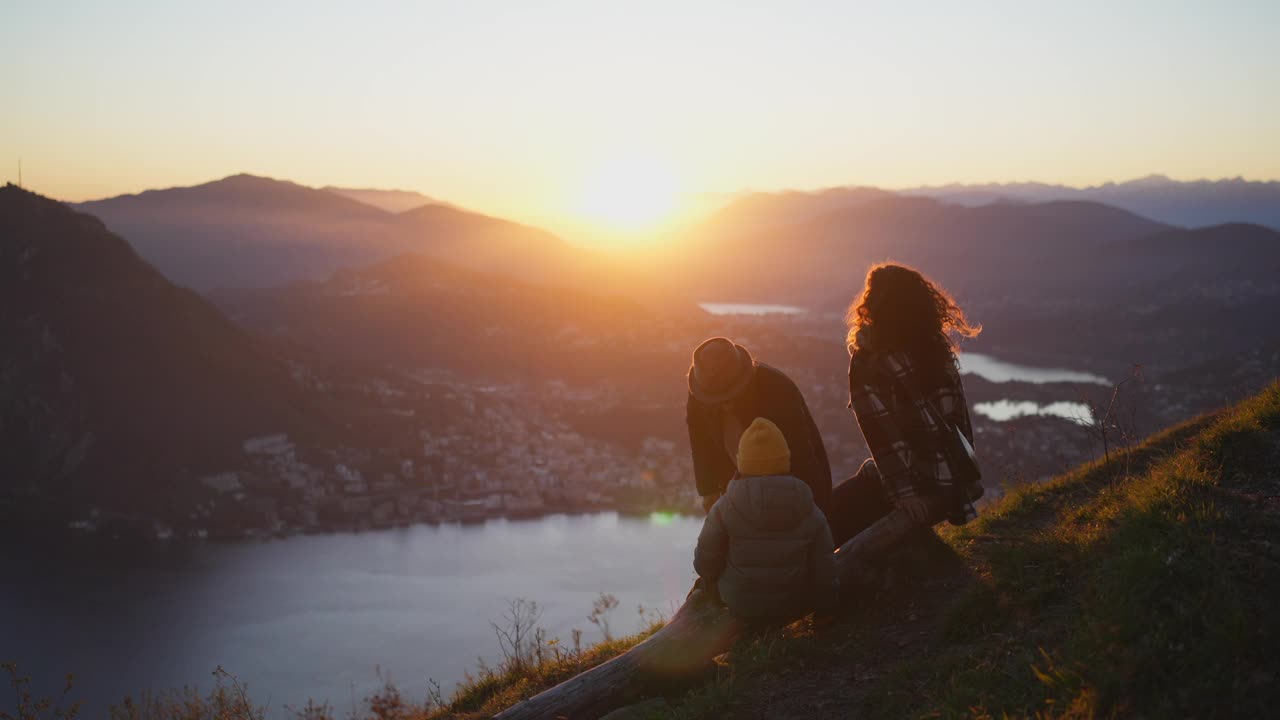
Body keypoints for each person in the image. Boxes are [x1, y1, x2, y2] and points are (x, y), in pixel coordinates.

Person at [828, 262, 984, 548]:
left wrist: (906, 493)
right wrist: (964, 472)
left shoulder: (869, 360)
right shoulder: (935, 347)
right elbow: (959, 419)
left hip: (920, 480)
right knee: (865, 479)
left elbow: (882, 432)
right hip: (953, 474)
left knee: (825, 520)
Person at [693, 417, 837, 620]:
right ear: (784, 460)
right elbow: (825, 567)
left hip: (739, 603)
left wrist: (712, 581)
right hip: (793, 606)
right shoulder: (808, 507)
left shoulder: (725, 507)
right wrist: (825, 607)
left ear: (742, 463)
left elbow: (704, 562)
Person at [686, 337, 832, 515]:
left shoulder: (776, 388)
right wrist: (709, 494)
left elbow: (802, 456)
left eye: (731, 396)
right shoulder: (699, 394)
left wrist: (814, 512)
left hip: (789, 488)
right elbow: (700, 446)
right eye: (717, 400)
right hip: (735, 492)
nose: (726, 404)